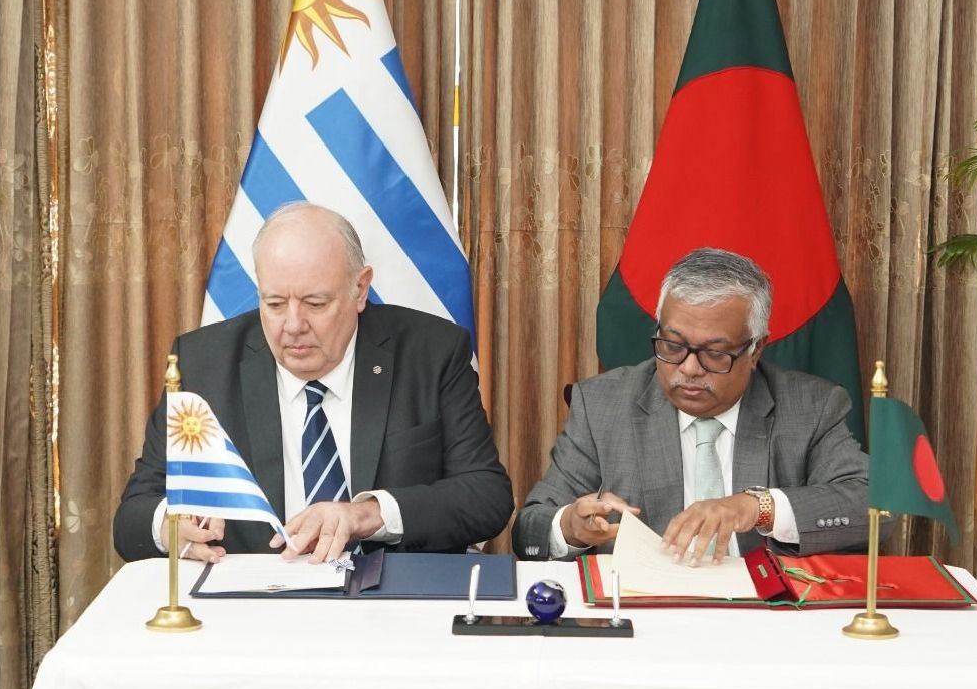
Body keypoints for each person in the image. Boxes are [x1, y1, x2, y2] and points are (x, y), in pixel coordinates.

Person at [113, 202, 512, 563]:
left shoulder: (431, 353)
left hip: (392, 601)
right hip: (253, 606)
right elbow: (132, 519)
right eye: (274, 304)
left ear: (360, 289)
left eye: (315, 303)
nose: (293, 325)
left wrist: (369, 514)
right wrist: (170, 525)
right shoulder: (203, 364)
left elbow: (487, 496)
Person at [515, 248, 868, 563]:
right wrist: (571, 527)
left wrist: (758, 507)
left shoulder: (811, 407)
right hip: (643, 607)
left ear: (755, 349)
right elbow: (530, 529)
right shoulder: (602, 405)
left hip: (763, 608)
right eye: (672, 346)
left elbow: (870, 507)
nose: (689, 368)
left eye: (714, 353)